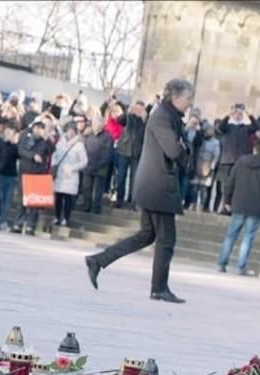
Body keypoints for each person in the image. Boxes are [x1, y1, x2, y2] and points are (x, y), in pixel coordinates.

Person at [85, 79, 195, 304]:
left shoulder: (169, 116)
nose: (190, 103)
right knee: (166, 239)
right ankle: (159, 288)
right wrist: (184, 148)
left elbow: (180, 148)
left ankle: (98, 260)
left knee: (147, 235)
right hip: (158, 185)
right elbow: (175, 151)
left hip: (153, 184)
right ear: (174, 97)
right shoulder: (163, 117)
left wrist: (184, 147)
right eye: (187, 98)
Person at [218, 139, 260, 275]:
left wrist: (227, 200)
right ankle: (240, 267)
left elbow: (230, 182)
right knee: (248, 237)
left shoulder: (240, 163)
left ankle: (222, 264)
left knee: (231, 235)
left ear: (254, 149)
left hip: (238, 203)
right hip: (257, 207)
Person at [214, 103, 260, 213]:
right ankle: (224, 206)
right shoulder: (228, 127)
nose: (238, 116)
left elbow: (257, 127)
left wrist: (250, 115)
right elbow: (220, 127)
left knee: (237, 186)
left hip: (240, 162)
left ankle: (232, 207)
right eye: (236, 114)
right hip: (227, 161)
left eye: (240, 114)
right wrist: (227, 115)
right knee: (226, 185)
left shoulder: (245, 128)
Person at [16, 120, 53, 234]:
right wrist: (33, 156)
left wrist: (47, 140)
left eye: (40, 128)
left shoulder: (45, 142)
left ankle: (31, 225)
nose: (37, 130)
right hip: (24, 172)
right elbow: (21, 150)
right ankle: (19, 223)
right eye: (36, 128)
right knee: (22, 201)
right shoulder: (26, 138)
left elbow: (52, 151)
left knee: (34, 203)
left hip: (37, 174)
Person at [51, 122, 88, 228]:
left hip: (71, 176)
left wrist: (72, 168)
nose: (70, 133)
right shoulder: (60, 142)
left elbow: (84, 161)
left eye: (72, 131)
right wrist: (54, 164)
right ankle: (57, 217)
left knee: (68, 198)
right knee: (58, 197)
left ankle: (66, 218)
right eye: (69, 131)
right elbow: (55, 154)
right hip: (59, 174)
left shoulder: (79, 145)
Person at [113, 102, 146, 208]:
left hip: (136, 153)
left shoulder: (144, 121)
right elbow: (118, 120)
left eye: (140, 110)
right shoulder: (128, 118)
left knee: (135, 178)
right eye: (137, 109)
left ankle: (132, 201)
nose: (138, 112)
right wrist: (128, 111)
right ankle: (119, 200)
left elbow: (146, 134)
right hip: (124, 150)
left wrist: (145, 120)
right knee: (121, 177)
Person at [81, 117, 113, 214]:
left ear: (102, 125)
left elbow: (108, 154)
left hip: (100, 168)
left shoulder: (108, 137)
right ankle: (87, 205)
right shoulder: (88, 135)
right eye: (94, 123)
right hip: (87, 165)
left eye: (97, 123)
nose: (95, 125)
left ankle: (96, 208)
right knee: (86, 187)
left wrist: (96, 164)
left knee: (98, 190)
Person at [193, 125, 220, 211]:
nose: (208, 132)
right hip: (198, 165)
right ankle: (193, 204)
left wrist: (212, 167)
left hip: (207, 166)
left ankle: (201, 205)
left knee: (204, 189)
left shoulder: (216, 143)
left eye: (210, 130)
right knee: (195, 187)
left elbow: (216, 156)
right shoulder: (202, 140)